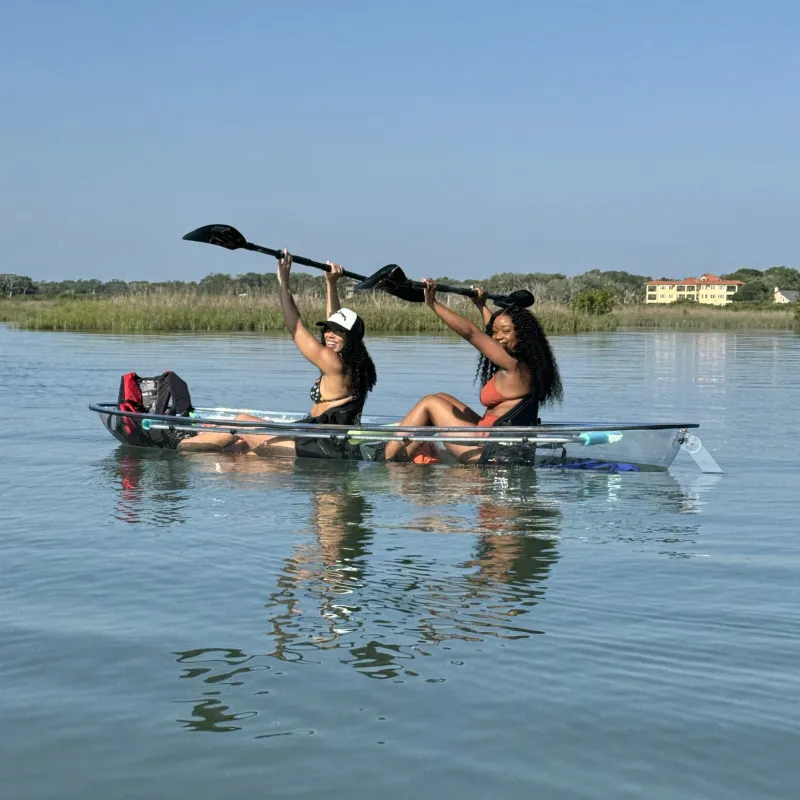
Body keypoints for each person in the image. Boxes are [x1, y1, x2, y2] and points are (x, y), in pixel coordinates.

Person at [179, 250, 376, 458]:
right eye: (328, 329)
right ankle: (197, 449)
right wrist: (331, 283)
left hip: (315, 448)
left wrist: (284, 283)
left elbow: (296, 328)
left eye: (338, 332)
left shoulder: (333, 362)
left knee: (242, 421)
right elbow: (335, 319)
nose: (329, 335)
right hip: (321, 442)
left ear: (351, 339)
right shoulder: (354, 363)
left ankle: (180, 446)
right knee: (241, 450)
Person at [383, 279, 562, 464]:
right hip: (491, 439)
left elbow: (472, 333)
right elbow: (491, 335)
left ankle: (389, 457)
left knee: (430, 402)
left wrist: (433, 303)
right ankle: (406, 456)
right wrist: (481, 305)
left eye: (506, 331)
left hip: (487, 452)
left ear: (522, 334)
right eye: (495, 332)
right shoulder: (528, 364)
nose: (498, 337)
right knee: (442, 397)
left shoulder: (513, 366)